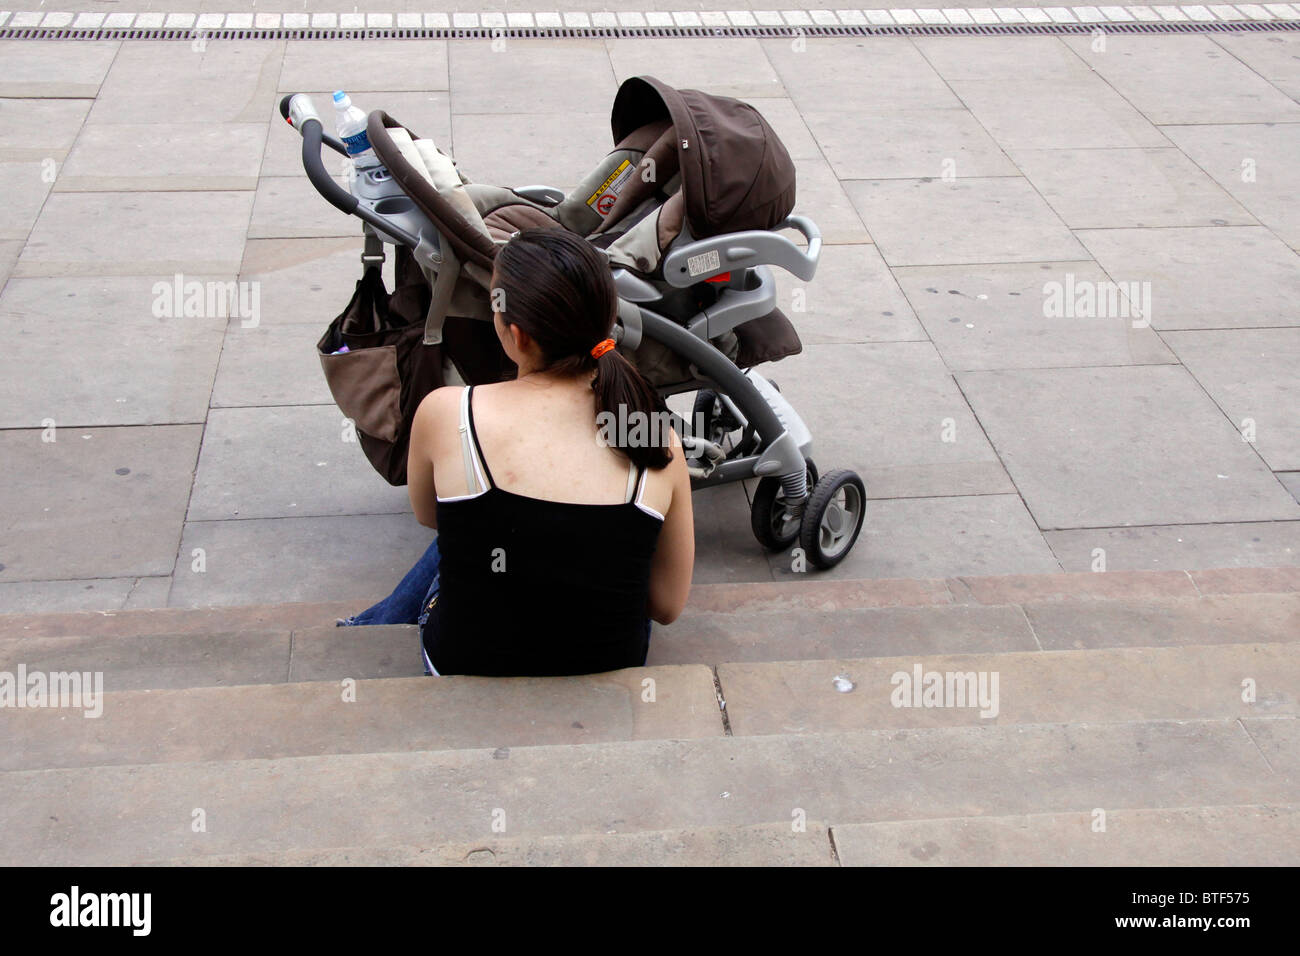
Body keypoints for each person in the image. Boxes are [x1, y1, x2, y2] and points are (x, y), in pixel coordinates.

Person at [340, 228, 695, 677]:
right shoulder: (656, 439)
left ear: (517, 334)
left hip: (459, 663)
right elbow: (665, 607)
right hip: (607, 665)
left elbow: (431, 515)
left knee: (466, 524)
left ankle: (366, 627)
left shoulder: (449, 413)